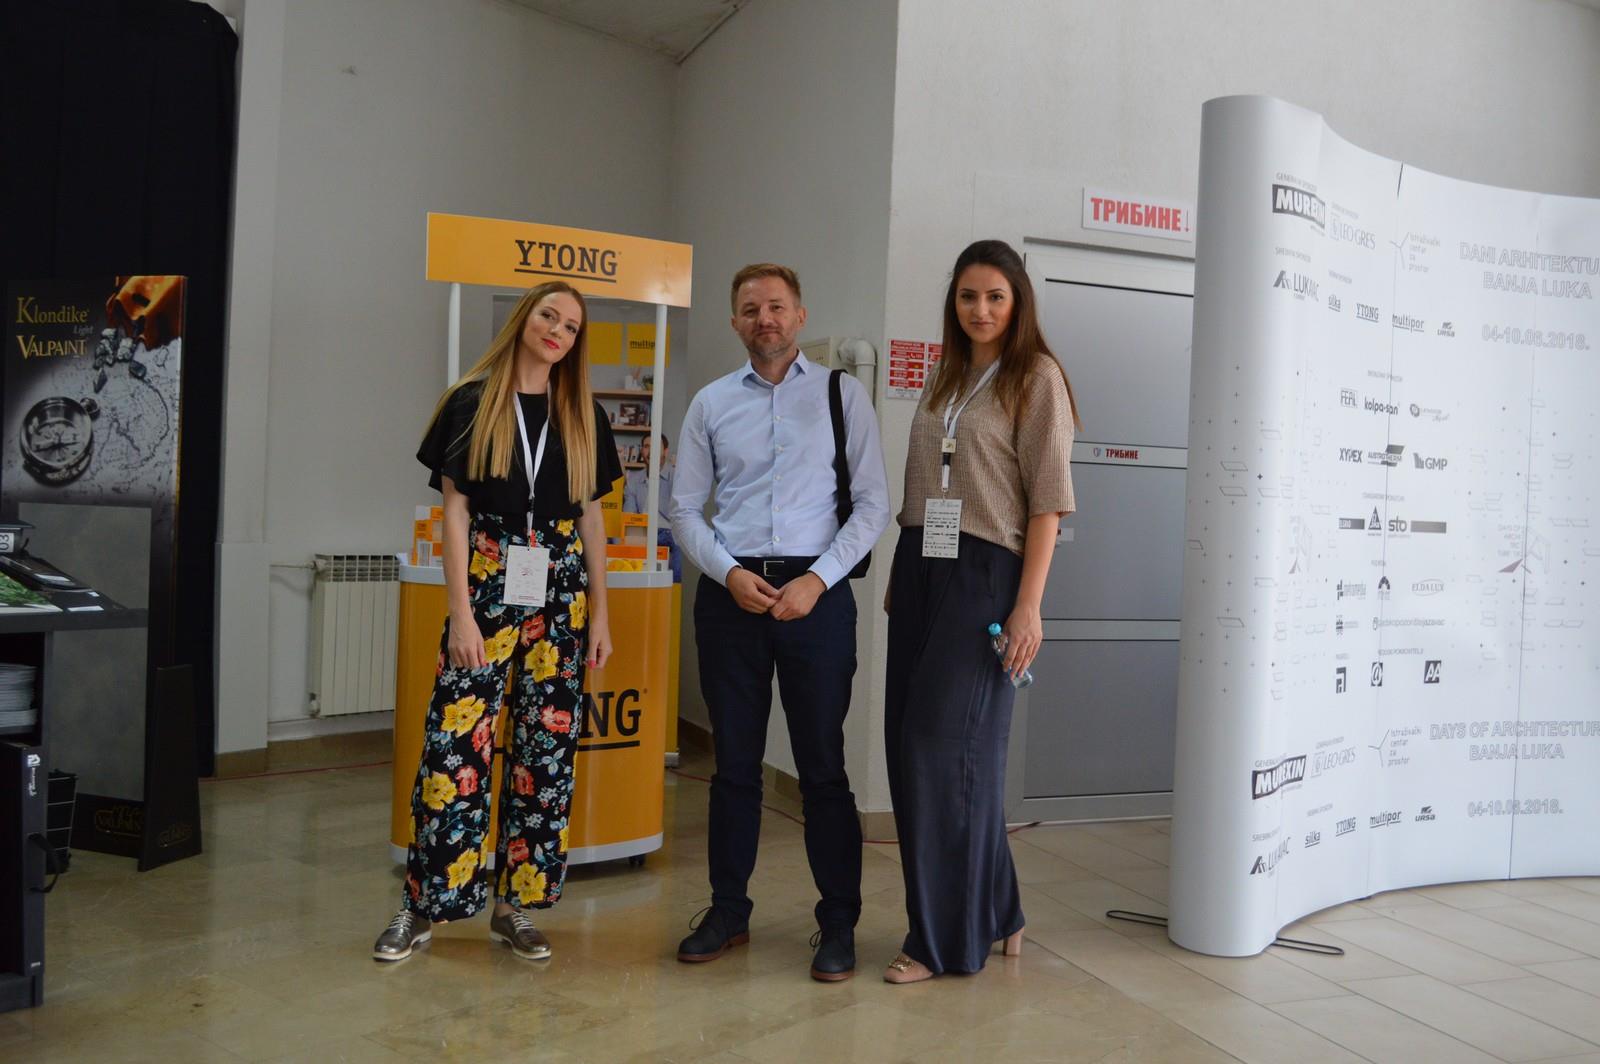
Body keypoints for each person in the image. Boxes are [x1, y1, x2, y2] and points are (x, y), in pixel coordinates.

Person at [373, 281, 622, 963]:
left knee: (546, 754)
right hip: (486, 577)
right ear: (524, 318)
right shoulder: (470, 402)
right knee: (453, 749)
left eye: (571, 326)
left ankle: (516, 907)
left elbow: (592, 519)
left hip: (561, 586)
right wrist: (460, 612)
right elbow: (454, 513)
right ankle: (423, 905)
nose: (557, 332)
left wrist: (601, 612)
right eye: (549, 315)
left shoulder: (583, 414)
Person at [670, 263, 890, 982]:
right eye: (749, 308)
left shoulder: (841, 395)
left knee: (822, 765)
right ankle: (728, 910)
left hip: (815, 595)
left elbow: (872, 505)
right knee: (734, 764)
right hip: (730, 593)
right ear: (735, 322)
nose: (763, 318)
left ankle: (839, 921)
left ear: (799, 315)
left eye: (775, 306)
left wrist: (817, 581)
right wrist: (728, 573)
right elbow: (684, 510)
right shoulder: (709, 403)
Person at [882, 239, 1080, 983]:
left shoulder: (1037, 378)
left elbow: (1047, 501)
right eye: (969, 296)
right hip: (922, 566)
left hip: (986, 575)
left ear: (1018, 301)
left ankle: (944, 943)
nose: (981, 309)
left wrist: (1029, 605)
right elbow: (925, 480)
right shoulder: (949, 374)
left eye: (996, 296)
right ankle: (1000, 909)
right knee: (910, 745)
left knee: (942, 752)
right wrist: (905, 570)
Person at [622, 433, 680, 581]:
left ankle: (674, 589)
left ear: (665, 451)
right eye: (647, 446)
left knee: (678, 540)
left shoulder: (676, 476)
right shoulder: (633, 480)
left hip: (668, 532)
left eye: (656, 447)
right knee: (617, 540)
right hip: (642, 532)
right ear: (642, 451)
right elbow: (629, 514)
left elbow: (679, 514)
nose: (651, 451)